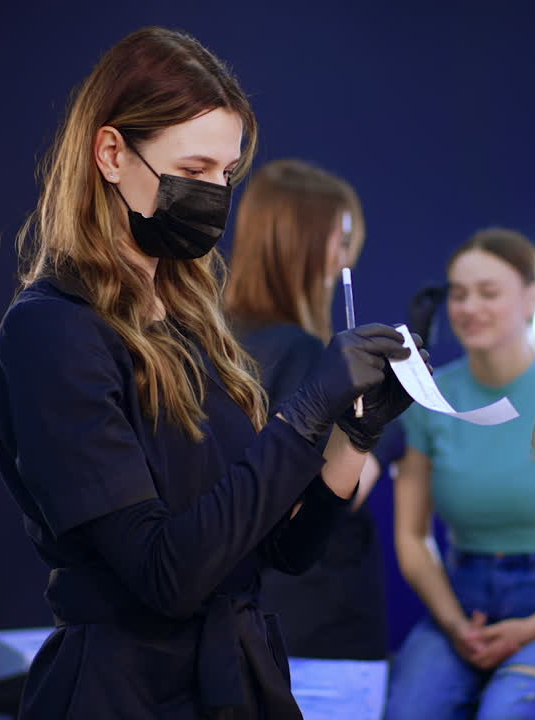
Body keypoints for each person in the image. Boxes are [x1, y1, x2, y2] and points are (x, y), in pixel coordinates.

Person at [0, 27, 424, 720]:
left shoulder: (194, 325)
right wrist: (306, 411)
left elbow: (281, 546)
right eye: (195, 168)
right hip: (127, 695)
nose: (216, 193)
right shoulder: (52, 331)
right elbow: (167, 573)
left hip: (237, 683)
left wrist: (350, 439)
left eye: (226, 172)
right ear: (111, 154)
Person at [224, 158, 390, 719]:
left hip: (252, 630)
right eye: (338, 238)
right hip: (321, 635)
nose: (347, 256)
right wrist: (368, 450)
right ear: (301, 240)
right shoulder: (298, 352)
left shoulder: (222, 344)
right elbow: (314, 497)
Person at [385, 228, 535, 720]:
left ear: (531, 296)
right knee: (408, 711)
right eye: (459, 294)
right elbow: (412, 538)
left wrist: (531, 628)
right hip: (462, 599)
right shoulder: (428, 396)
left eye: (489, 292)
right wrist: (456, 624)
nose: (469, 307)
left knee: (510, 712)